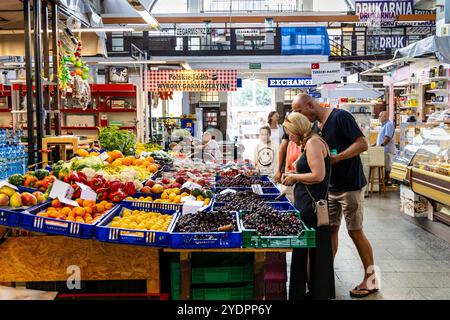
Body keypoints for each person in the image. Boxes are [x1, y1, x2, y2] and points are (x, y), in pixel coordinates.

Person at [292, 93, 378, 299]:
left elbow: (362, 144)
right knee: (330, 231)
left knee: (355, 231)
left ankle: (371, 279)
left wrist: (337, 157)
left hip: (350, 185)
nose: (298, 115)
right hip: (330, 188)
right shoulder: (317, 127)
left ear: (310, 105)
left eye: (298, 111)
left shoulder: (340, 117)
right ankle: (323, 277)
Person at [281, 112, 335, 300]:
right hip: (308, 203)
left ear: (298, 129)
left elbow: (318, 176)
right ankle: (313, 291)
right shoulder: (311, 142)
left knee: (309, 248)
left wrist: (295, 176)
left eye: (290, 133)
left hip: (312, 206)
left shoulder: (313, 143)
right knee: (311, 249)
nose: (290, 137)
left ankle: (313, 293)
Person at [375, 111, 397, 185]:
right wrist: (375, 144)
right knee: (385, 166)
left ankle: (389, 181)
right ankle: (385, 181)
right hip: (382, 150)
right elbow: (381, 138)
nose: (379, 118)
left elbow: (387, 138)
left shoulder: (388, 124)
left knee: (388, 167)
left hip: (387, 150)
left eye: (380, 116)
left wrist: (381, 146)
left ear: (385, 116)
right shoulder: (383, 125)